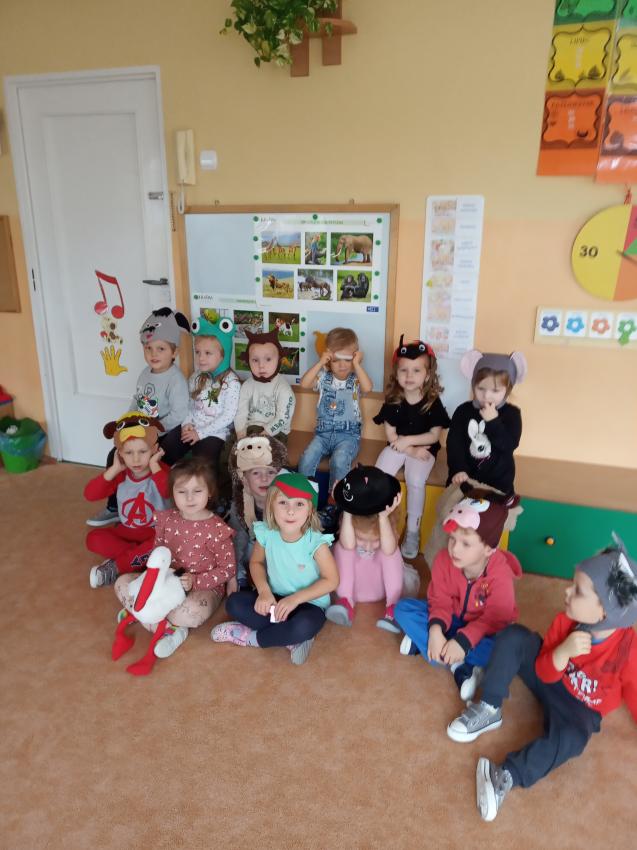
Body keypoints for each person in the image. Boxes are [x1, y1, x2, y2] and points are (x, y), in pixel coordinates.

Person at [446, 536, 637, 822]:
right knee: (514, 636)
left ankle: (506, 775)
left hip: (581, 709)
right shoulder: (566, 622)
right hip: (550, 675)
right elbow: (544, 670)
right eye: (572, 584)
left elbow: (634, 690)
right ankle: (489, 707)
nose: (567, 591)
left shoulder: (629, 651)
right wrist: (563, 651)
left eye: (578, 591)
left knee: (573, 739)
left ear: (604, 613)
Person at [394, 488, 522, 700]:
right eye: (452, 539)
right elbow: (439, 600)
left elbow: (494, 619)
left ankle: (434, 650)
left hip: (484, 630)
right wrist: (436, 630)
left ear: (489, 548)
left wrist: (463, 642)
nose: (454, 549)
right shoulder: (443, 559)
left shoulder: (501, 575)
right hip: (451, 619)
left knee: (506, 652)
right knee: (403, 609)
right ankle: (456, 662)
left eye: (466, 543)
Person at [113, 456, 236, 660]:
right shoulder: (166, 519)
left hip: (201, 587)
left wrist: (196, 581)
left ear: (209, 492)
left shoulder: (217, 529)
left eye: (197, 491)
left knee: (189, 613)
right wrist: (151, 582)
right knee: (122, 583)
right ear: (172, 493)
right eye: (182, 491)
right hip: (165, 582)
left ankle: (157, 621)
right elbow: (157, 554)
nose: (189, 498)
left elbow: (227, 569)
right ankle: (159, 622)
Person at [211, 473, 339, 665]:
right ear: (271, 505)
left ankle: (251, 637)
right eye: (283, 503)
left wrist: (294, 599)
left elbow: (332, 580)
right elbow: (256, 563)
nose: (290, 511)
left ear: (310, 510)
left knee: (304, 626)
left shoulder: (316, 543)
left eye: (299, 504)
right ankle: (288, 637)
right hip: (274, 599)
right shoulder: (267, 533)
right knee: (234, 603)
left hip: (309, 604)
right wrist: (264, 592)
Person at [87, 307, 190, 527]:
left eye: (161, 349)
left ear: (174, 352)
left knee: (160, 458)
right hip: (141, 430)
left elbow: (179, 413)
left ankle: (158, 505)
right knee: (115, 455)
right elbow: (137, 401)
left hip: (164, 431)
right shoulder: (145, 374)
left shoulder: (176, 379)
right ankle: (115, 506)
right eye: (148, 348)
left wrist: (152, 432)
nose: (154, 354)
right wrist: (126, 423)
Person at [424, 349, 526, 565]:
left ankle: (479, 571)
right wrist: (458, 469)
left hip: (496, 486)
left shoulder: (512, 415)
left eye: (495, 391)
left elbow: (509, 445)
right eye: (481, 389)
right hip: (466, 482)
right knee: (449, 524)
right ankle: (441, 566)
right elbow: (455, 444)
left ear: (508, 389)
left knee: (484, 535)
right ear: (473, 385)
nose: (487, 396)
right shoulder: (463, 412)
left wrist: (493, 421)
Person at [373, 336, 450, 559]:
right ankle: (377, 519)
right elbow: (391, 435)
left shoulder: (432, 401)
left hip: (424, 448)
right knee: (380, 474)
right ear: (396, 373)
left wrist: (408, 442)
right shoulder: (393, 400)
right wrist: (409, 449)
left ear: (427, 374)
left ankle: (413, 530)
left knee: (416, 480)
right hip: (400, 446)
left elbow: (434, 436)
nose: (409, 376)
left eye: (416, 370)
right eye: (404, 370)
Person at [326, 465, 416, 633]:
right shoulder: (350, 524)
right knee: (343, 549)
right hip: (352, 585)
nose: (367, 546)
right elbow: (348, 544)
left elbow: (389, 549)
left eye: (373, 541)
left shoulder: (386, 524)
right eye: (361, 539)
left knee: (390, 552)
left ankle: (393, 608)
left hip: (379, 584)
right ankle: (345, 604)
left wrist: (383, 517)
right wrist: (347, 508)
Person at [85, 413, 170, 588]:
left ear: (154, 449)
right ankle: (139, 561)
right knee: (93, 539)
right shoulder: (121, 474)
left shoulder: (161, 471)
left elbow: (169, 492)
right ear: (120, 453)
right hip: (127, 533)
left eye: (143, 452)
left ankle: (117, 567)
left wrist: (155, 466)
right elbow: (90, 495)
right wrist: (114, 469)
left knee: (164, 544)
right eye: (129, 453)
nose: (136, 459)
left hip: (156, 534)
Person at [298, 327, 373, 525]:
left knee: (339, 460)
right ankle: (305, 501)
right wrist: (320, 363)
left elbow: (368, 387)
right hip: (323, 433)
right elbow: (304, 383)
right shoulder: (323, 377)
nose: (341, 365)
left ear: (355, 357)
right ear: (328, 359)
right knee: (306, 458)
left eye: (347, 359)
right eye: (336, 359)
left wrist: (356, 364)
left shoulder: (355, 380)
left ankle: (334, 505)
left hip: (348, 435)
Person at [160, 313, 240, 477]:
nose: (201, 358)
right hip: (191, 425)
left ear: (223, 354)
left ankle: (205, 493)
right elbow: (187, 403)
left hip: (214, 432)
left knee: (203, 465)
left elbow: (228, 416)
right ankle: (163, 486)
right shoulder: (196, 377)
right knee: (165, 450)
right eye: (197, 352)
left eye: (208, 353)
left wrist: (200, 433)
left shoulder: (231, 382)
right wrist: (187, 423)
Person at [226, 434, 289, 592]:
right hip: (251, 550)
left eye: (270, 472)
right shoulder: (240, 505)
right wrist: (236, 574)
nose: (264, 478)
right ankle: (242, 580)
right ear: (244, 479)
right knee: (237, 543)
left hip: (278, 552)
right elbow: (237, 541)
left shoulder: (286, 502)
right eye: (255, 473)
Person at [234, 328, 295, 443]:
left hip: (275, 432)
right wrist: (240, 433)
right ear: (248, 361)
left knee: (265, 451)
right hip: (250, 428)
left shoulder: (283, 388)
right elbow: (241, 412)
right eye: (255, 360)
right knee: (232, 448)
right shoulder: (247, 385)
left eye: (268, 359)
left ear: (279, 360)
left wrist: (263, 436)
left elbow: (283, 417)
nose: (261, 365)